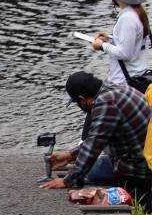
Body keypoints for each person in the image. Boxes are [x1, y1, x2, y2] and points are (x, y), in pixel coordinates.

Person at [40, 71, 152, 207]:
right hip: (142, 157)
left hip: (138, 170)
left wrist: (67, 181)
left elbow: (94, 143)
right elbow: (98, 137)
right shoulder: (114, 89)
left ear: (82, 99)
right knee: (94, 171)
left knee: (92, 172)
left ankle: (139, 201)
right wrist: (70, 155)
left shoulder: (106, 103)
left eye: (76, 102)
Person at [91, 0, 151, 91]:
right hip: (138, 78)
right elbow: (135, 43)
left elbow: (125, 53)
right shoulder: (137, 13)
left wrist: (102, 46)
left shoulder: (127, 18)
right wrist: (111, 38)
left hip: (124, 84)